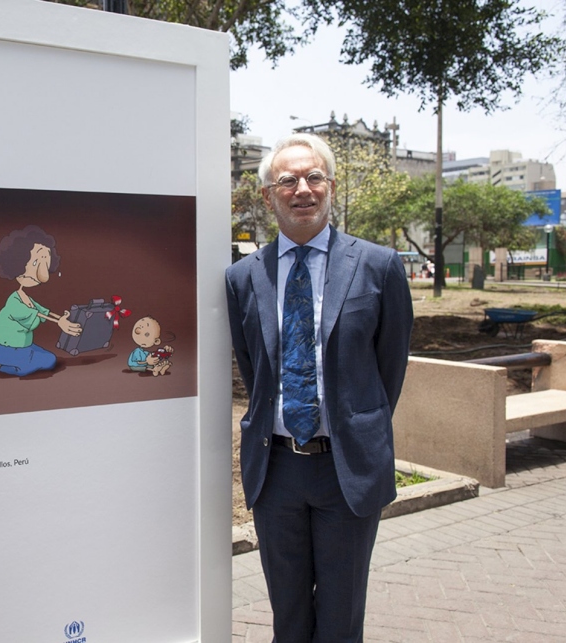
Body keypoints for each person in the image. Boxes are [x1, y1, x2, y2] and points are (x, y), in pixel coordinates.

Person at [225, 133, 413, 642]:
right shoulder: (243, 277)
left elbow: (388, 368)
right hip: (277, 467)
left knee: (340, 618)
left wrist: (357, 426)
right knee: (287, 617)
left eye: (314, 177)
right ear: (268, 196)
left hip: (345, 468)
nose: (302, 189)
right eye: (287, 180)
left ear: (330, 186)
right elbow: (253, 368)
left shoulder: (379, 265)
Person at [0, 225, 82, 376]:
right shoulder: (14, 301)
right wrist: (60, 323)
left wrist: (61, 318)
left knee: (50, 360)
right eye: (35, 263)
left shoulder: (27, 298)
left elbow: (44, 311)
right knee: (26, 369)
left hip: (21, 346)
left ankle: (11, 360)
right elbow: (36, 315)